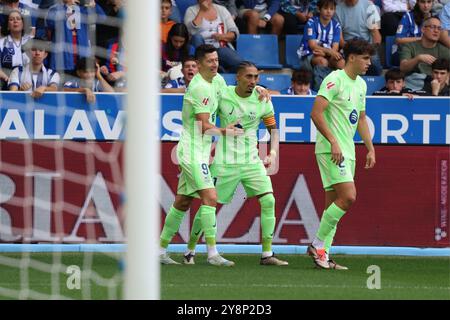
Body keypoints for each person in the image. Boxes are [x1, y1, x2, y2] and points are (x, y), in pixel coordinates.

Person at [182, 61, 289, 266]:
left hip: (251, 161)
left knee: (269, 200)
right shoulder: (223, 94)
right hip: (225, 162)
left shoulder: (262, 99)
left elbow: (273, 131)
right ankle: (190, 249)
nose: (253, 81)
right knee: (209, 203)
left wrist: (273, 153)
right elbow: (203, 111)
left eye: (256, 77)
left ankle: (267, 254)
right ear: (237, 77)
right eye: (248, 77)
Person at [159, 44, 242, 267]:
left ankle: (159, 251)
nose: (215, 64)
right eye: (210, 61)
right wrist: (226, 131)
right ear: (198, 64)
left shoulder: (217, 80)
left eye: (216, 60)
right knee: (211, 197)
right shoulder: (198, 88)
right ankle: (212, 253)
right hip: (191, 151)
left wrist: (259, 90)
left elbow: (231, 96)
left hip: (201, 151)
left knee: (183, 202)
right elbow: (204, 126)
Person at [308, 38, 376, 270]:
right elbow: (316, 114)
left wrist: (370, 147)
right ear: (352, 58)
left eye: (370, 58)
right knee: (348, 197)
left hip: (348, 151)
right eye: (366, 58)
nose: (369, 63)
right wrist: (334, 142)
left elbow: (362, 118)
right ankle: (317, 244)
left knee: (333, 207)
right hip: (331, 149)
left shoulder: (361, 85)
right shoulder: (334, 79)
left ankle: (323, 255)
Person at [184, 0, 243, 73]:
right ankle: (208, 69)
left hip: (219, 47)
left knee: (241, 64)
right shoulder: (190, 10)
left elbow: (235, 33)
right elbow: (190, 31)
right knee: (197, 37)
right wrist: (202, 11)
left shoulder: (222, 10)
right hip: (201, 49)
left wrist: (223, 36)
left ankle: (221, 73)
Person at [399, 16, 450, 90]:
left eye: (439, 28)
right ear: (423, 29)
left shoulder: (444, 50)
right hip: (415, 85)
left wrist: (447, 79)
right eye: (433, 27)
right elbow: (403, 68)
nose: (436, 31)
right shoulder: (409, 46)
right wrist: (418, 58)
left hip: (437, 84)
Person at [335, 0, 383, 76]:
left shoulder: (369, 6)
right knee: (343, 62)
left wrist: (371, 50)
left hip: (367, 45)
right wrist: (354, 50)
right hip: (348, 45)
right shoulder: (337, 9)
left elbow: (376, 34)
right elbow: (340, 40)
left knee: (374, 62)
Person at [298, 0, 344, 72]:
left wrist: (325, 53)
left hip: (328, 55)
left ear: (334, 10)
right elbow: (313, 46)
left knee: (341, 63)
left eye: (331, 9)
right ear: (319, 9)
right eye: (325, 8)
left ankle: (339, 83)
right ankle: (320, 83)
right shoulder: (311, 23)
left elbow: (335, 48)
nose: (328, 11)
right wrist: (328, 52)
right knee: (323, 62)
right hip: (310, 54)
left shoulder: (336, 25)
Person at [0, 9, 31, 88]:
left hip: (28, 81)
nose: (15, 21)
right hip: (6, 81)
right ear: (7, 26)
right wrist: (8, 79)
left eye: (18, 19)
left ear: (23, 24)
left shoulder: (32, 42)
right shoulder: (1, 43)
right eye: (11, 19)